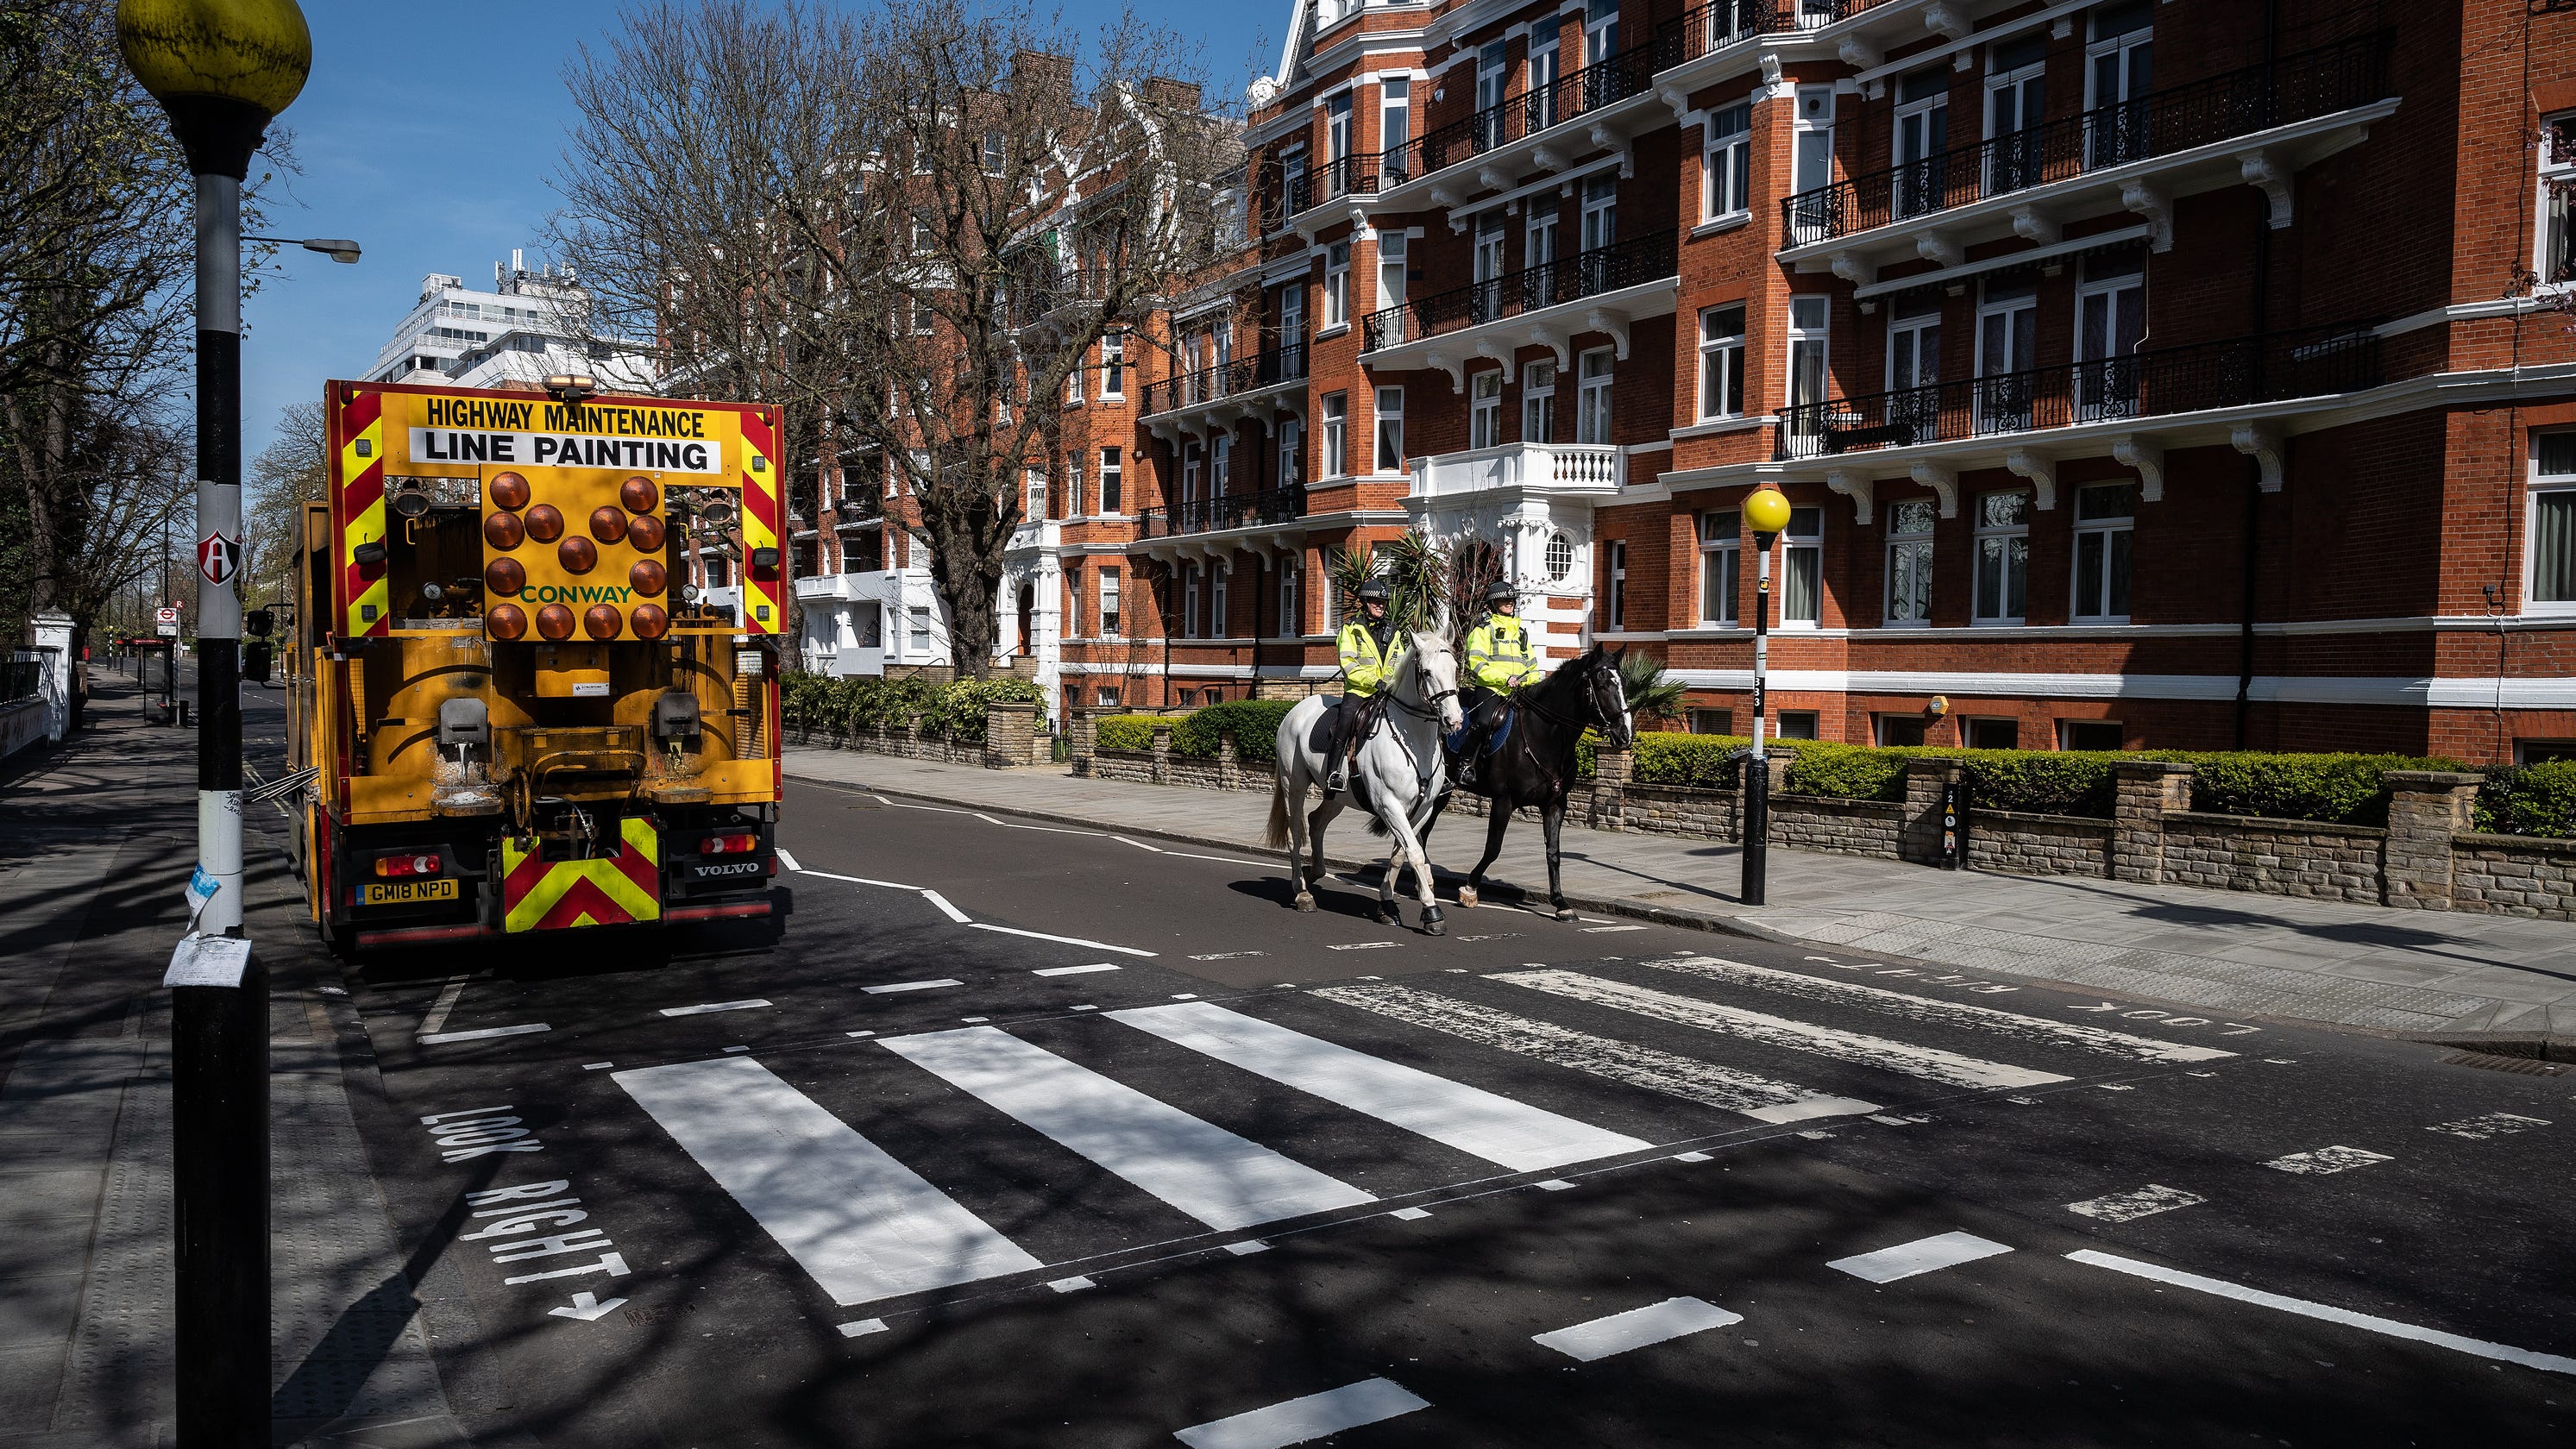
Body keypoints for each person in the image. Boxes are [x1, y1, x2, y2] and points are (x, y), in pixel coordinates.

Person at [1455, 579, 1537, 787]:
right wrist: (1504, 679)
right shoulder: (1483, 630)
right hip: (1491, 688)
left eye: (1511, 599)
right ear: (1493, 605)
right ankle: (1465, 765)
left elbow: (1532, 665)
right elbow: (1476, 662)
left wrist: (1528, 680)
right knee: (1484, 722)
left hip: (1519, 690)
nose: (1509, 602)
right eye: (1504, 600)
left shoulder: (1521, 633)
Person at [1325, 579, 1398, 793]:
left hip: (1387, 692)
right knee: (1345, 722)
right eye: (1376, 601)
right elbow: (1349, 665)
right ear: (1365, 602)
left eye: (1384, 601)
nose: (1380, 605)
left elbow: (1399, 661)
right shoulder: (1350, 630)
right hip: (1359, 691)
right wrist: (1374, 682)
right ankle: (1333, 773)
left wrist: (1392, 683)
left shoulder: (1393, 630)